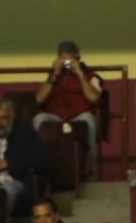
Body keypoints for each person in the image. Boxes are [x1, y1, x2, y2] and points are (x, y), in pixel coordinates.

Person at [33, 40, 104, 173]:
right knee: (39, 119)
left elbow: (94, 98)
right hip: (55, 116)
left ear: (78, 59)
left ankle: (92, 170)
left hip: (80, 116)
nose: (66, 64)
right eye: (62, 60)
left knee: (89, 119)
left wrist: (80, 74)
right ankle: (40, 169)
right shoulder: (52, 76)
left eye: (69, 61)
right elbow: (39, 99)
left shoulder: (91, 76)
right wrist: (54, 75)